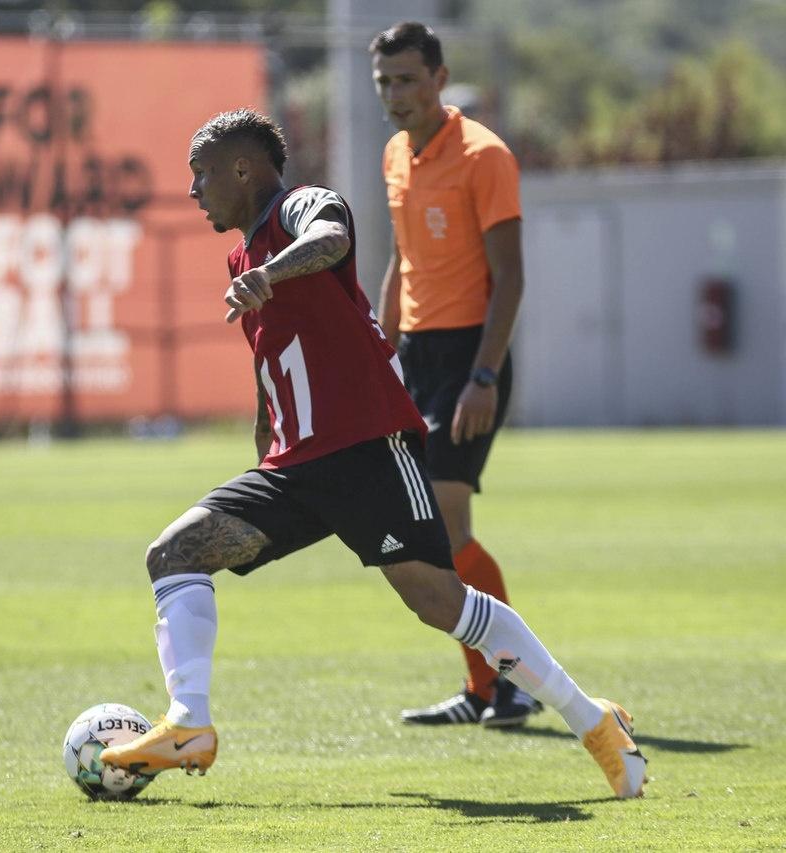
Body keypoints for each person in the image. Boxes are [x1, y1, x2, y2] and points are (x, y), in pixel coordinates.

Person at [97, 108, 647, 799]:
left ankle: (592, 719)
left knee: (439, 602)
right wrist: (267, 434)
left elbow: (330, 235)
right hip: (295, 467)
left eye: (200, 174)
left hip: (368, 448)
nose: (193, 191)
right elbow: (279, 365)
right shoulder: (242, 258)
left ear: (243, 169)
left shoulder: (295, 208)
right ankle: (189, 723)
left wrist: (272, 271)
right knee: (174, 553)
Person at [370, 22, 535, 727]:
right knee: (431, 534)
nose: (395, 94)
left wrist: (485, 376)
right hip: (418, 359)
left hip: (471, 359)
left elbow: (511, 278)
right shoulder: (394, 156)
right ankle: (487, 687)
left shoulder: (485, 156)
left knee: (445, 522)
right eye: (384, 82)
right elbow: (402, 260)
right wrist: (379, 348)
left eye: (407, 79)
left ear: (439, 78)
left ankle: (513, 680)